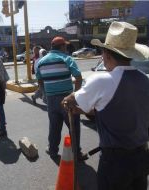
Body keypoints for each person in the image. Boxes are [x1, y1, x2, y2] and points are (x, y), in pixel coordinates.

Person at [62, 21, 149, 190]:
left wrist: (70, 103)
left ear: (107, 54)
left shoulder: (102, 80)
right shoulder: (144, 80)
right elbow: (122, 110)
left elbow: (68, 101)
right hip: (142, 156)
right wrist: (91, 111)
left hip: (115, 162)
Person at [36, 36, 85, 160]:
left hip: (51, 100)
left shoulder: (41, 62)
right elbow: (78, 77)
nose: (66, 48)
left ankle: (52, 150)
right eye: (65, 46)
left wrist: (45, 93)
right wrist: (76, 96)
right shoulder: (66, 59)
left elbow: (39, 80)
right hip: (67, 99)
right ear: (62, 47)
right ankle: (76, 153)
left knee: (54, 126)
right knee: (74, 127)